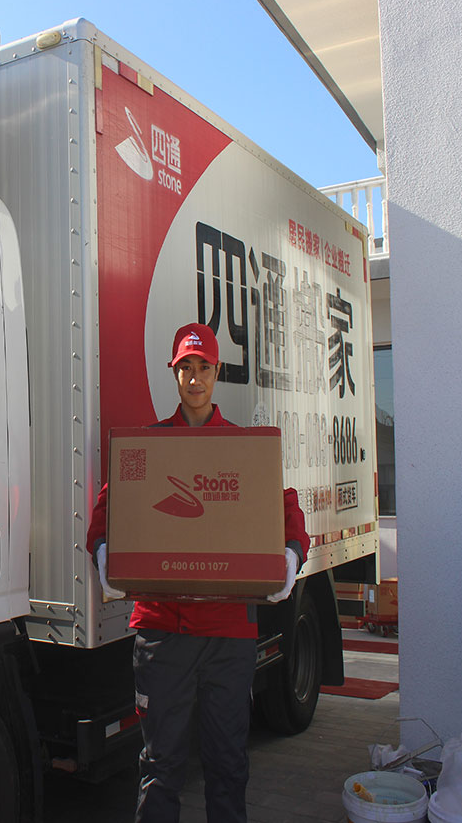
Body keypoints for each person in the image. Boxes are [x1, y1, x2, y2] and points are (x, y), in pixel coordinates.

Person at [86, 322, 309, 823]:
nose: (194, 378)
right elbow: (108, 507)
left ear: (216, 371)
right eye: (184, 368)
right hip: (163, 633)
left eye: (203, 367)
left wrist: (291, 554)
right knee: (160, 766)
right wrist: (102, 552)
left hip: (228, 635)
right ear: (174, 374)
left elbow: (284, 506)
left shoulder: (240, 447)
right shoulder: (149, 447)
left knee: (227, 765)